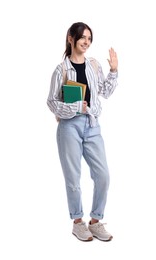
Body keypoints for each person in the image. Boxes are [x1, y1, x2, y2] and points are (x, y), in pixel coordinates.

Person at [47, 22, 118, 241]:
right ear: (71, 38)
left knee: (103, 175)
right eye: (82, 37)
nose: (86, 42)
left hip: (92, 125)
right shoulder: (61, 69)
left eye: (89, 38)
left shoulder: (94, 66)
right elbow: (51, 102)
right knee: (73, 178)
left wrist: (114, 70)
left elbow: (104, 92)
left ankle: (95, 221)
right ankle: (78, 222)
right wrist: (76, 107)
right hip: (69, 126)